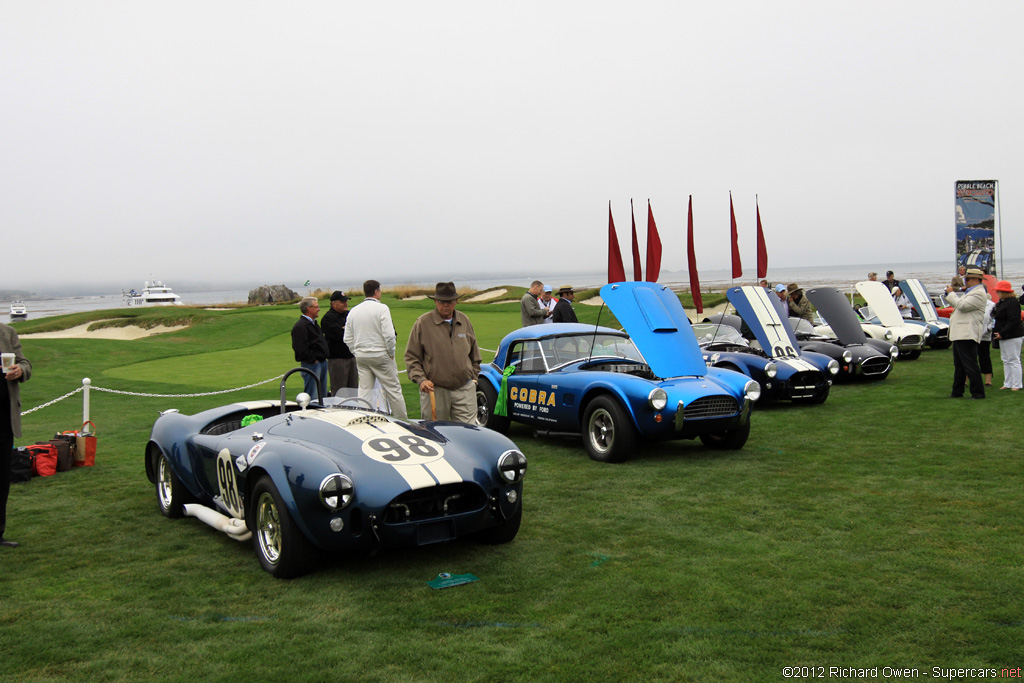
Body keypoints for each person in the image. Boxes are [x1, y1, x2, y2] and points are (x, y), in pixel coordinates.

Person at [404, 282, 481, 424]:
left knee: (468, 433)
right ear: (435, 301)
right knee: (436, 434)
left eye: (450, 301)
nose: (445, 305)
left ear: (456, 301)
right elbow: (411, 357)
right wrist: (421, 380)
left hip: (464, 388)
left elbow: (475, 355)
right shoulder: (423, 323)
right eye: (441, 301)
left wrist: (473, 378)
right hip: (435, 390)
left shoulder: (464, 321)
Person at [344, 280, 408, 419]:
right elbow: (390, 335)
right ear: (376, 292)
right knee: (393, 390)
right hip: (381, 355)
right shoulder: (382, 308)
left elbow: (347, 338)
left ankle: (364, 420)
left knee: (364, 391)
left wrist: (356, 351)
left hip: (361, 356)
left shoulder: (354, 311)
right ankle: (402, 422)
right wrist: (391, 352)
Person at [1, 323, 31, 548]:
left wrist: (21, 370)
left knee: (2, 480)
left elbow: (25, 363)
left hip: (4, 420)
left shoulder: (7, 332)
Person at [945, 268, 988, 399]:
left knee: (970, 364)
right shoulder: (972, 292)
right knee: (959, 365)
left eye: (968, 279)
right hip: (961, 332)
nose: (966, 281)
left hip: (967, 333)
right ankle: (957, 391)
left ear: (975, 279)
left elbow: (962, 306)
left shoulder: (979, 293)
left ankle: (978, 393)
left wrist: (951, 294)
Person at [290, 297, 329, 401]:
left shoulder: (314, 324)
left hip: (321, 362)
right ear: (309, 308)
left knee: (322, 394)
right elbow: (299, 347)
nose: (319, 309)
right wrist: (313, 360)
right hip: (312, 364)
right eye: (316, 307)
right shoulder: (300, 326)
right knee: (313, 395)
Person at [320, 291, 357, 396]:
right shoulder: (328, 318)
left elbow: (356, 332)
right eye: (342, 302)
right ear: (334, 304)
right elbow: (341, 336)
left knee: (354, 390)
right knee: (340, 391)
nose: (345, 303)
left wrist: (346, 329)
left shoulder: (349, 315)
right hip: (337, 359)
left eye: (346, 301)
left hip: (351, 357)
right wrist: (348, 330)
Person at [992, 280, 1024, 391]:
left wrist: (1003, 332)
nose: (997, 293)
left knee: (1014, 359)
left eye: (998, 291)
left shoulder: (1012, 302)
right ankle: (1008, 382)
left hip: (1013, 335)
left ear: (1003, 292)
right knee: (1006, 359)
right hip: (1004, 335)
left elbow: (1014, 320)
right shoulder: (1002, 301)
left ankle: (1017, 384)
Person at [979, 298, 996, 387]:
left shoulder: (992, 305)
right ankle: (965, 381)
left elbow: (993, 320)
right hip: (971, 335)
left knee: (984, 357)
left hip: (985, 336)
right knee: (969, 358)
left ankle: (988, 381)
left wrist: (988, 329)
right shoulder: (971, 302)